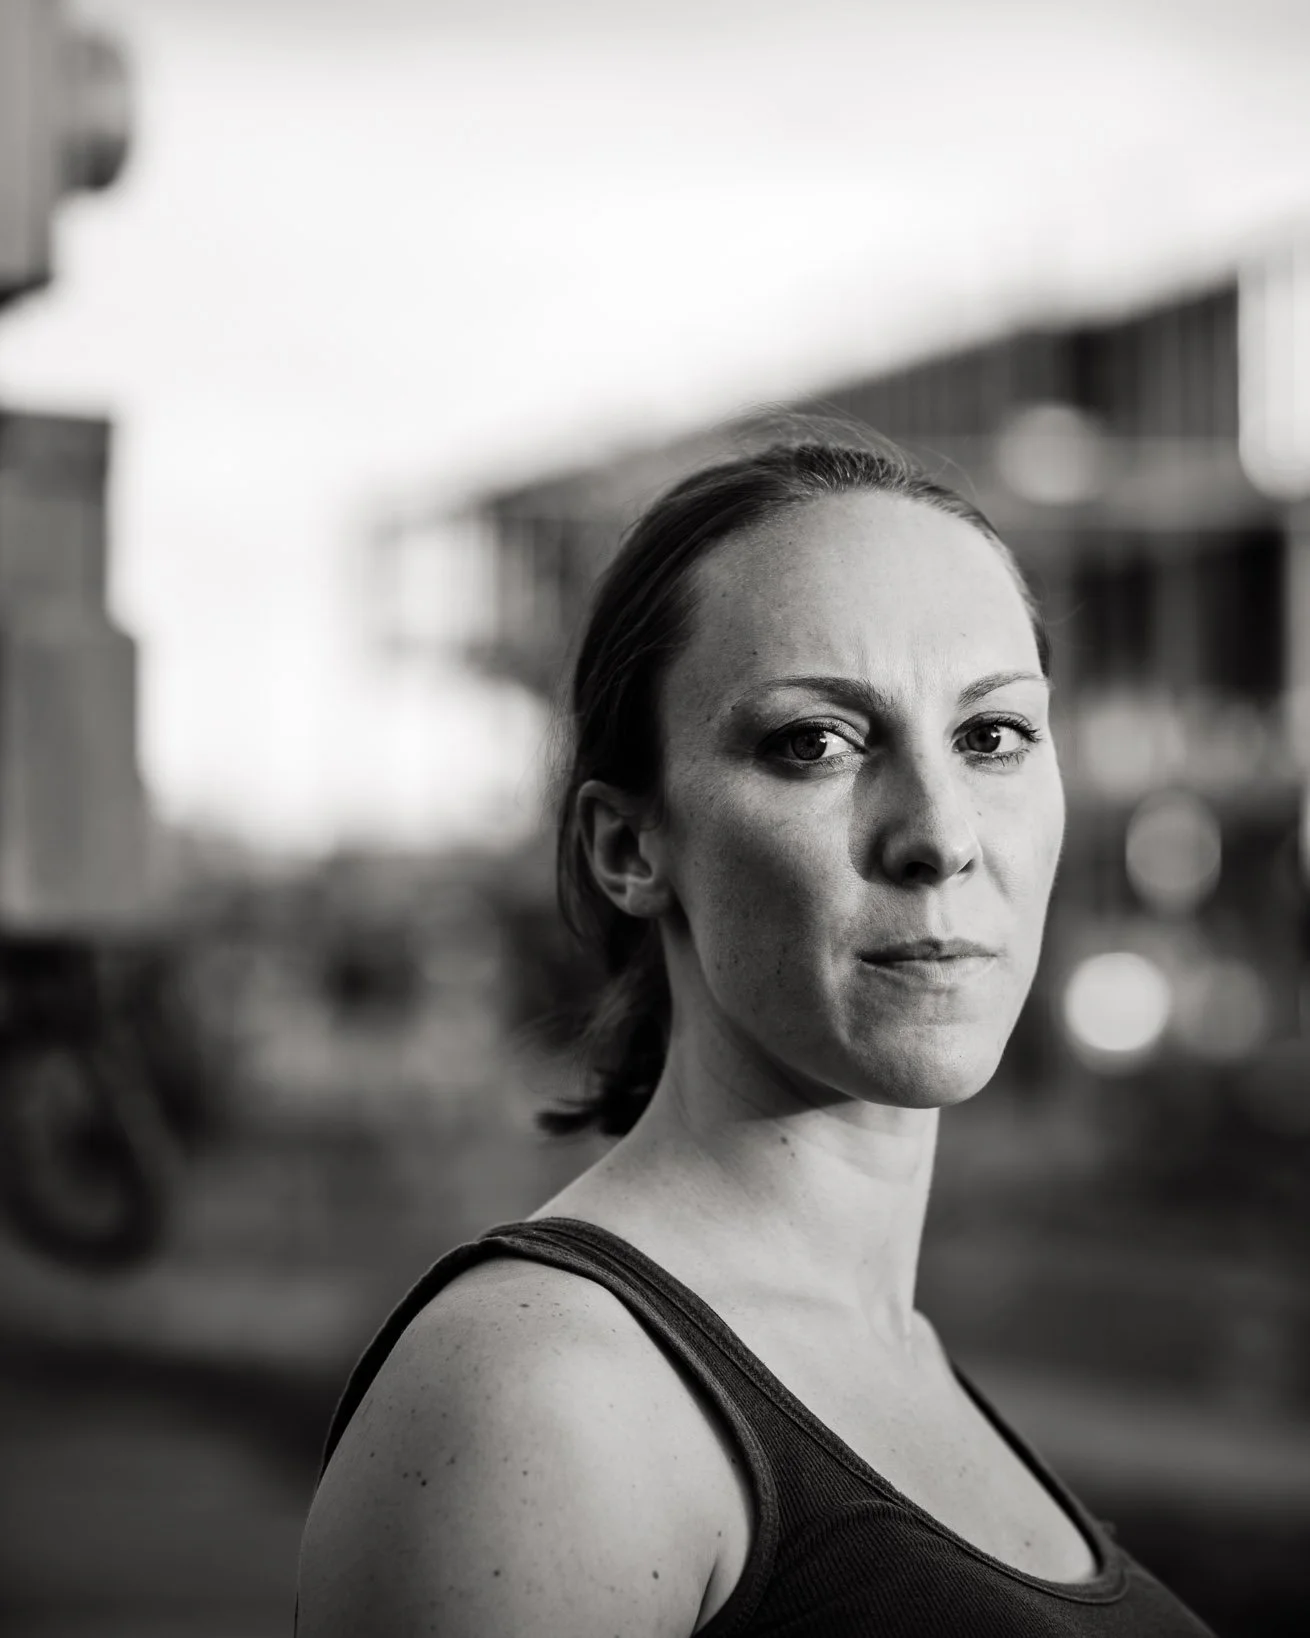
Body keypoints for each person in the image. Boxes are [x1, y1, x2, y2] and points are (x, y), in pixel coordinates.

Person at [297, 436, 1217, 1636]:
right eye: (816, 742)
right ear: (630, 847)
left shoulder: (886, 1352)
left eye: (990, 737)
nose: (940, 837)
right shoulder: (541, 1396)